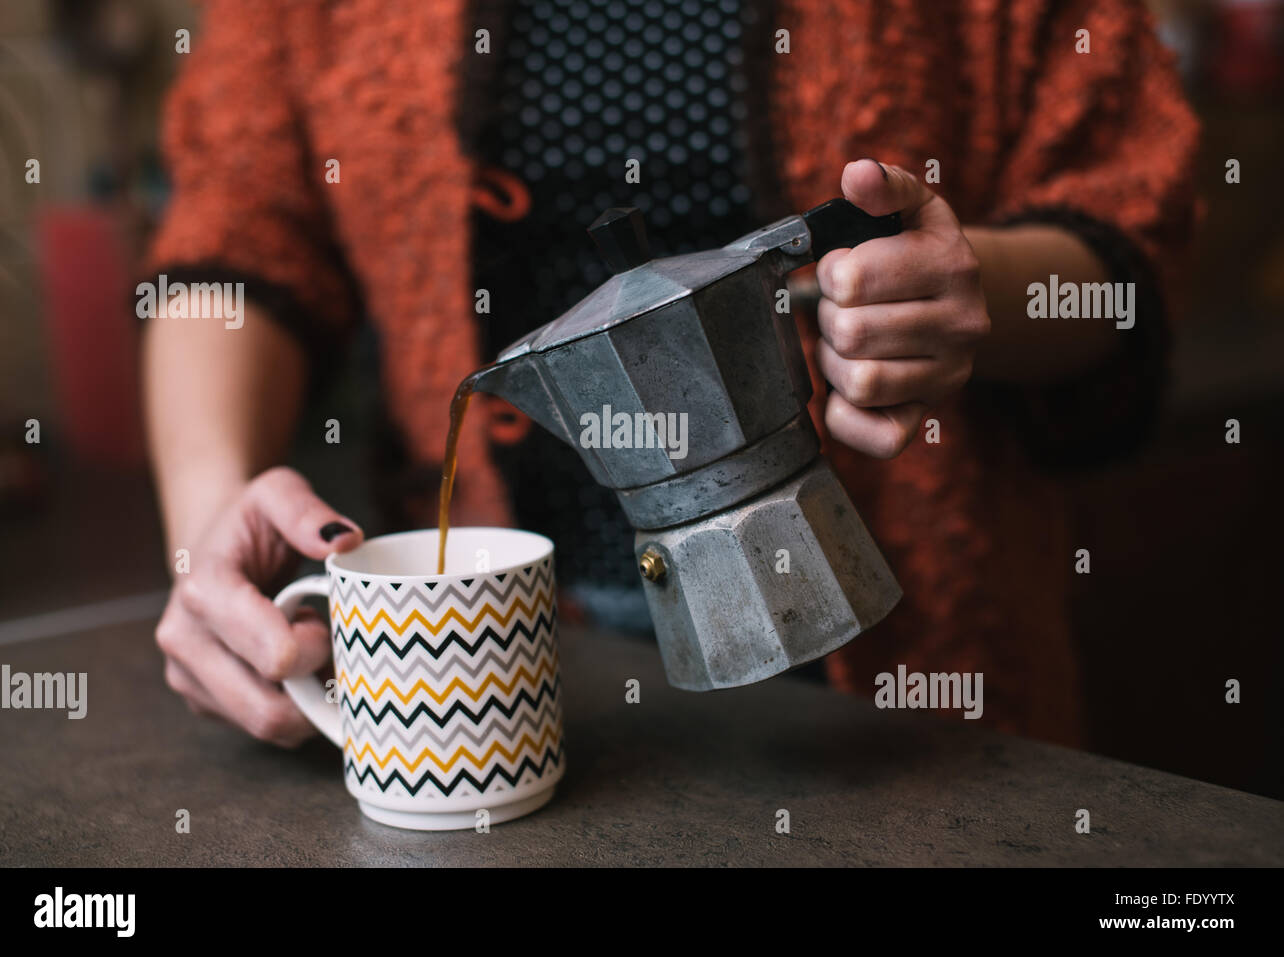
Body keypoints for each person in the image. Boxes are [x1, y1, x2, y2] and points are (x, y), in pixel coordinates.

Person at [144, 0, 1197, 748]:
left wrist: (956, 291)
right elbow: (240, 231)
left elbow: (1123, 238)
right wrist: (209, 522)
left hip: (928, 670)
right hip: (509, 676)